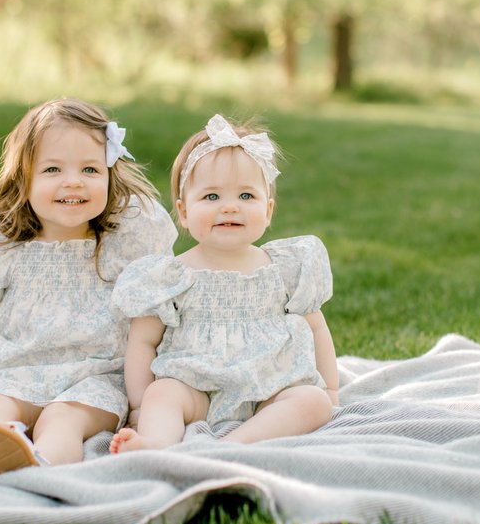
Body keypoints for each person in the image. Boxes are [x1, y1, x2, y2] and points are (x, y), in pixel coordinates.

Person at [0, 98, 177, 480]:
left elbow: (150, 313)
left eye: (89, 169)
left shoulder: (123, 244)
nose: (73, 181)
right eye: (53, 169)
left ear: (108, 176)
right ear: (25, 179)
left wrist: (144, 394)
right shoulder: (5, 247)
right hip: (17, 371)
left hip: (94, 379)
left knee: (62, 418)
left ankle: (40, 468)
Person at [109, 114, 339, 454]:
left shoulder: (285, 268)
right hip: (197, 390)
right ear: (184, 212)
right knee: (164, 393)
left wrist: (330, 390)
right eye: (212, 197)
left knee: (311, 402)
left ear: (268, 210)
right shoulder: (170, 276)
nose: (230, 206)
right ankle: (156, 443)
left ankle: (233, 445)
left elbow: (316, 328)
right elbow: (142, 341)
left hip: (270, 387)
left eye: (246, 196)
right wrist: (141, 405)